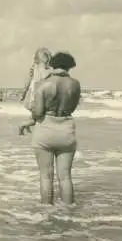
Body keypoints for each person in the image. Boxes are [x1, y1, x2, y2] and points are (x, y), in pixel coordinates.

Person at [30, 51, 80, 205]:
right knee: (65, 177)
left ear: (52, 65)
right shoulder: (75, 84)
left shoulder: (42, 84)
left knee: (46, 176)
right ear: (69, 67)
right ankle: (69, 212)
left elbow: (38, 113)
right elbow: (72, 107)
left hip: (45, 130)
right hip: (66, 130)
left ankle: (46, 212)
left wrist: (32, 115)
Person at [19, 47, 53, 135]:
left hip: (32, 96)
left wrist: (23, 95)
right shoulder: (47, 71)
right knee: (38, 119)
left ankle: (27, 126)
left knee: (36, 116)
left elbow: (27, 83)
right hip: (37, 97)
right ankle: (22, 126)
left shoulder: (34, 69)